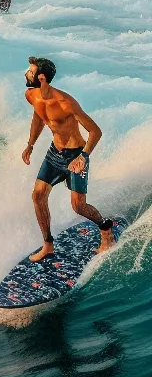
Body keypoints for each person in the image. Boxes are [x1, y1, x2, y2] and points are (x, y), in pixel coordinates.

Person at [21, 56, 117, 261]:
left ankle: (106, 230)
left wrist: (83, 157)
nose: (25, 74)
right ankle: (48, 245)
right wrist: (30, 144)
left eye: (30, 72)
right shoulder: (31, 95)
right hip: (54, 153)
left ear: (42, 78)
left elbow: (95, 131)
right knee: (38, 196)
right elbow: (39, 117)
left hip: (76, 155)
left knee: (78, 206)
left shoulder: (66, 103)